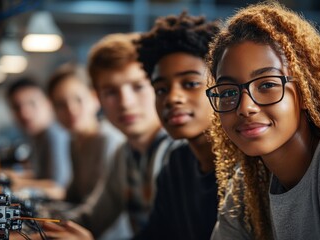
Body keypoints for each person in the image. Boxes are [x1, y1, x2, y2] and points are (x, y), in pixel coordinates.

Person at [205, 2, 320, 239]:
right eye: (228, 92)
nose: (245, 107)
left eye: (267, 85)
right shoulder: (249, 184)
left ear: (307, 91)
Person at [47, 33, 179, 239]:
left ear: (158, 87)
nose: (125, 102)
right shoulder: (124, 154)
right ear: (98, 98)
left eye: (138, 87)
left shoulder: (177, 153)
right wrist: (32, 229)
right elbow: (91, 219)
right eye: (110, 92)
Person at [133, 12, 219, 240]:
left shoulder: (248, 170)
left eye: (190, 83)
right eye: (161, 89)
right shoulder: (177, 165)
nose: (172, 98)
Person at [47, 63, 125, 204]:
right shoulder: (73, 141)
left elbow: (101, 206)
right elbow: (72, 195)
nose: (71, 110)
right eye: (60, 104)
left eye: (78, 99)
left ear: (95, 99)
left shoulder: (108, 139)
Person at [6, 77, 71, 199]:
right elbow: (41, 175)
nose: (25, 113)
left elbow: (58, 187)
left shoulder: (55, 135)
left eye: (32, 103)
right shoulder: (37, 136)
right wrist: (13, 176)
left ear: (48, 103)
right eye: (17, 107)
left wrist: (14, 183)